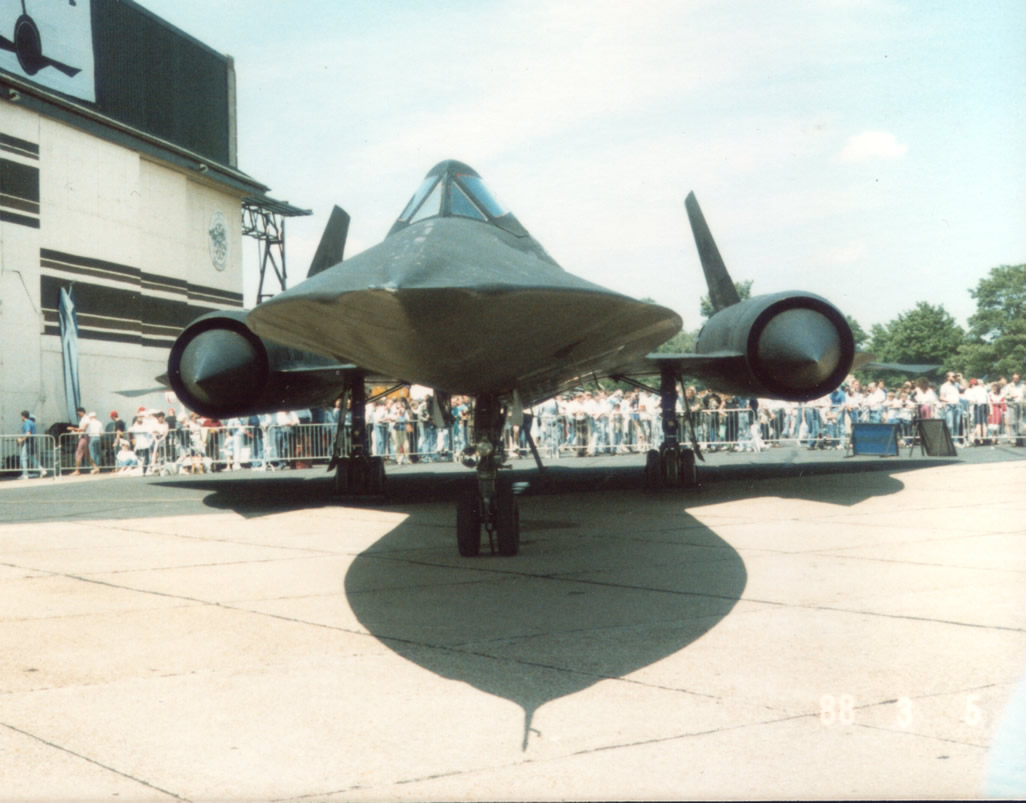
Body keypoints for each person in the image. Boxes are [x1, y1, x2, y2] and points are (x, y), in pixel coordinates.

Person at [69, 406, 98, 475]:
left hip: (84, 437)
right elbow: (81, 429)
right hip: (84, 436)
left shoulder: (86, 419)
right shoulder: (83, 419)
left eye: (78, 414)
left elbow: (83, 429)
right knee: (86, 455)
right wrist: (75, 431)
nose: (78, 415)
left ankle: (77, 470)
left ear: (82, 412)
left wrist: (73, 428)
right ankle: (95, 467)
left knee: (78, 453)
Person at [18, 410, 46, 479]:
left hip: (28, 442)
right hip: (32, 441)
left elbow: (28, 433)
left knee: (23, 457)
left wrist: (21, 439)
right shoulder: (32, 422)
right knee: (30, 457)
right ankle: (42, 470)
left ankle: (25, 474)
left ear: (23, 416)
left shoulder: (26, 423)